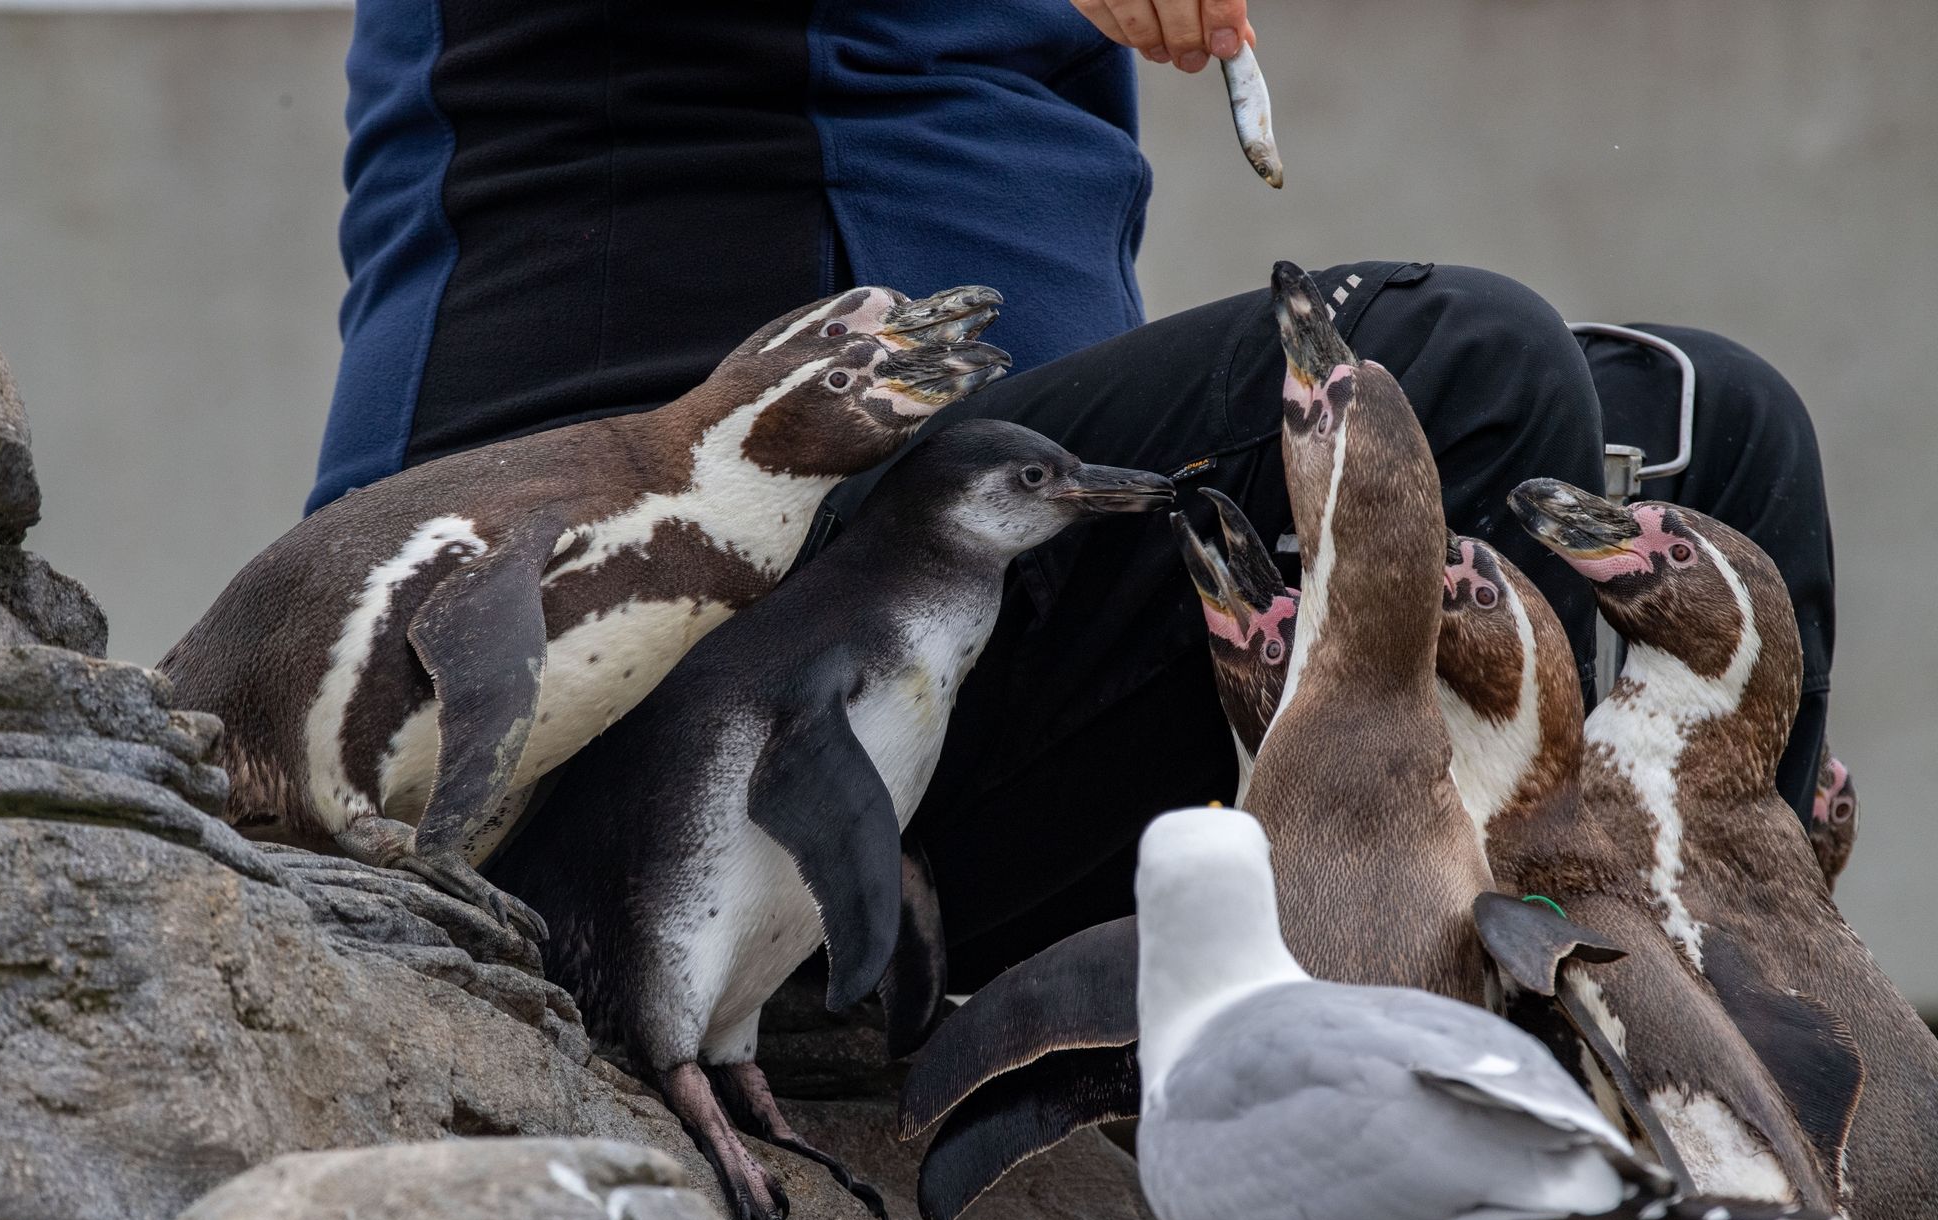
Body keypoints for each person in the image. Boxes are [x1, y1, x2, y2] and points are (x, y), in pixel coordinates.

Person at [313, 0, 1835, 983]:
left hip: (995, 648)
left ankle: (1685, 1211)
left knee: (1716, 441)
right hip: (649, 662)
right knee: (1461, 373)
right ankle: (1415, 1187)